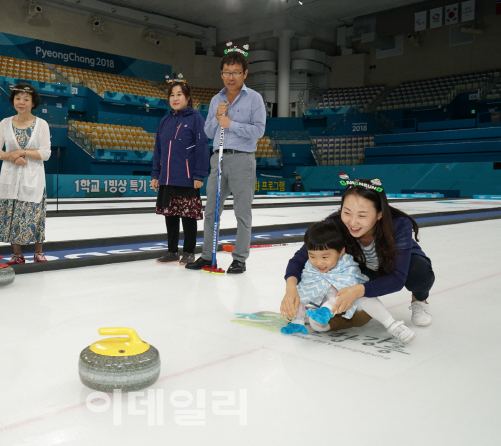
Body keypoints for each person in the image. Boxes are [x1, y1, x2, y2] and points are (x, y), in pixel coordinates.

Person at [281, 175, 435, 331]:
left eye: (362, 215)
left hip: (392, 267)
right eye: (347, 213)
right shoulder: (335, 225)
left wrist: (358, 290)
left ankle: (419, 301)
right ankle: (323, 305)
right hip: (362, 271)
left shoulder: (398, 225)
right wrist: (291, 290)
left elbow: (397, 278)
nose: (353, 222)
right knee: (325, 262)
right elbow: (300, 260)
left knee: (418, 270)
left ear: (379, 214)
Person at [186, 44, 266, 274]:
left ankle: (239, 258)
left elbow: (259, 131)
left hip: (242, 159)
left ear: (245, 74)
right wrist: (218, 117)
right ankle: (207, 255)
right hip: (218, 159)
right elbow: (209, 132)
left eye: (236, 72)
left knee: (242, 212)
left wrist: (231, 124)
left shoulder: (254, 99)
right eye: (227, 72)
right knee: (211, 210)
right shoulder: (215, 100)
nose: (231, 77)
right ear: (221, 74)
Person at [280, 220, 417, 344]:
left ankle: (392, 325)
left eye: (325, 257)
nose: (319, 262)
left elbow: (350, 291)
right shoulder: (310, 267)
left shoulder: (346, 266)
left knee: (363, 296)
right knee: (315, 324)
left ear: (341, 252)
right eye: (312, 256)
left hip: (356, 309)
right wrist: (296, 305)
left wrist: (328, 307)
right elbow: (305, 290)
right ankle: (304, 321)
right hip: (333, 312)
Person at [150, 78, 208, 265]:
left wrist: (199, 174)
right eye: (172, 95)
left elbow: (202, 147)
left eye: (179, 94)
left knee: (188, 216)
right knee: (170, 215)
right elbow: (158, 149)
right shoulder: (165, 121)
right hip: (167, 177)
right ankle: (172, 251)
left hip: (187, 177)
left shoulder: (196, 118)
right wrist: (155, 174)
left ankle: (189, 251)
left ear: (188, 97)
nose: (175, 98)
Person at [0, 83, 51, 264]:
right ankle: (17, 255)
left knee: (35, 215)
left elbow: (45, 153)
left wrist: (23, 152)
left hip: (33, 179)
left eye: (26, 99)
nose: (21, 102)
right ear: (13, 101)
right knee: (12, 215)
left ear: (33, 103)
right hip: (11, 178)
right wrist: (11, 157)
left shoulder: (41, 124)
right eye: (18, 98)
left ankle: (38, 252)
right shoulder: (5, 123)